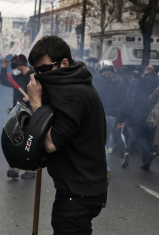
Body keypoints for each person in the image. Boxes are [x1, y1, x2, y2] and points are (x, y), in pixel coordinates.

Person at [27, 35, 108, 234]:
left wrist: (36, 103)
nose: (39, 76)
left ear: (64, 63)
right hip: (79, 189)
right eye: (36, 71)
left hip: (78, 193)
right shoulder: (73, 85)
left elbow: (51, 143)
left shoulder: (73, 93)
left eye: (44, 69)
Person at [0, 54, 36, 179]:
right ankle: (14, 167)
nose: (13, 65)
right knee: (15, 140)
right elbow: (4, 81)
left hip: (32, 111)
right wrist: (3, 69)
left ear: (20, 63)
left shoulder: (34, 75)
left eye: (14, 63)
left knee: (28, 142)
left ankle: (30, 169)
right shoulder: (18, 77)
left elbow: (43, 91)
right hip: (18, 110)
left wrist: (30, 97)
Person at [94, 60, 129, 171]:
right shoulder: (119, 81)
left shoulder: (97, 79)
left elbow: (92, 97)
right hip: (114, 115)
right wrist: (121, 119)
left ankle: (106, 168)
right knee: (108, 139)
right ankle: (121, 154)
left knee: (101, 142)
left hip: (99, 114)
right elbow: (124, 102)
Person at [132, 65, 159, 171]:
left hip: (141, 111)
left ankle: (147, 152)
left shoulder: (141, 80)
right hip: (154, 113)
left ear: (146, 71)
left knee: (137, 135)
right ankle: (146, 163)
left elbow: (135, 95)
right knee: (149, 136)